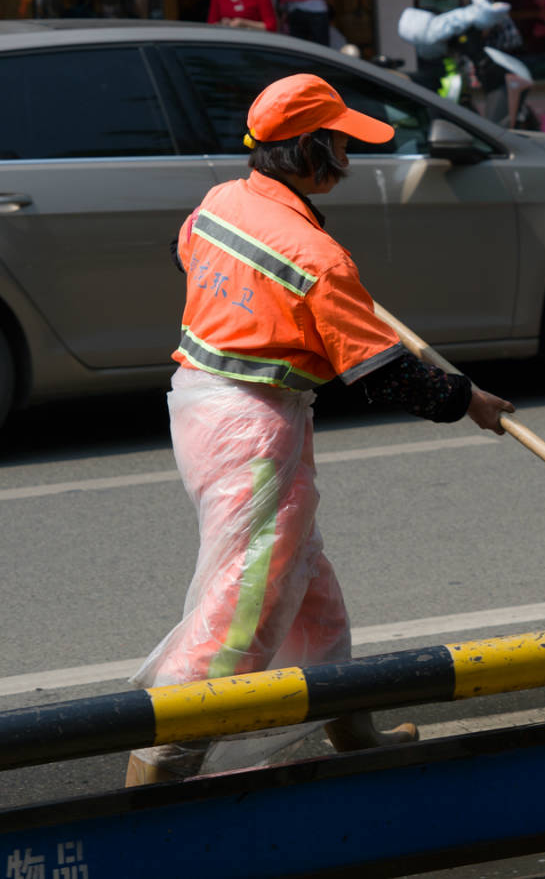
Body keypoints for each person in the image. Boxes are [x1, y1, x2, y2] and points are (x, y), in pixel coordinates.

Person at [127, 73, 514, 786]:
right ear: (307, 152)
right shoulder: (317, 259)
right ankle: (156, 767)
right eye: (338, 141)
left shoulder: (220, 204)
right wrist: (468, 399)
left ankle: (353, 729)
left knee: (311, 592)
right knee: (244, 605)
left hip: (203, 408)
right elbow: (387, 378)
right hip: (253, 432)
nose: (348, 154)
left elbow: (187, 253)